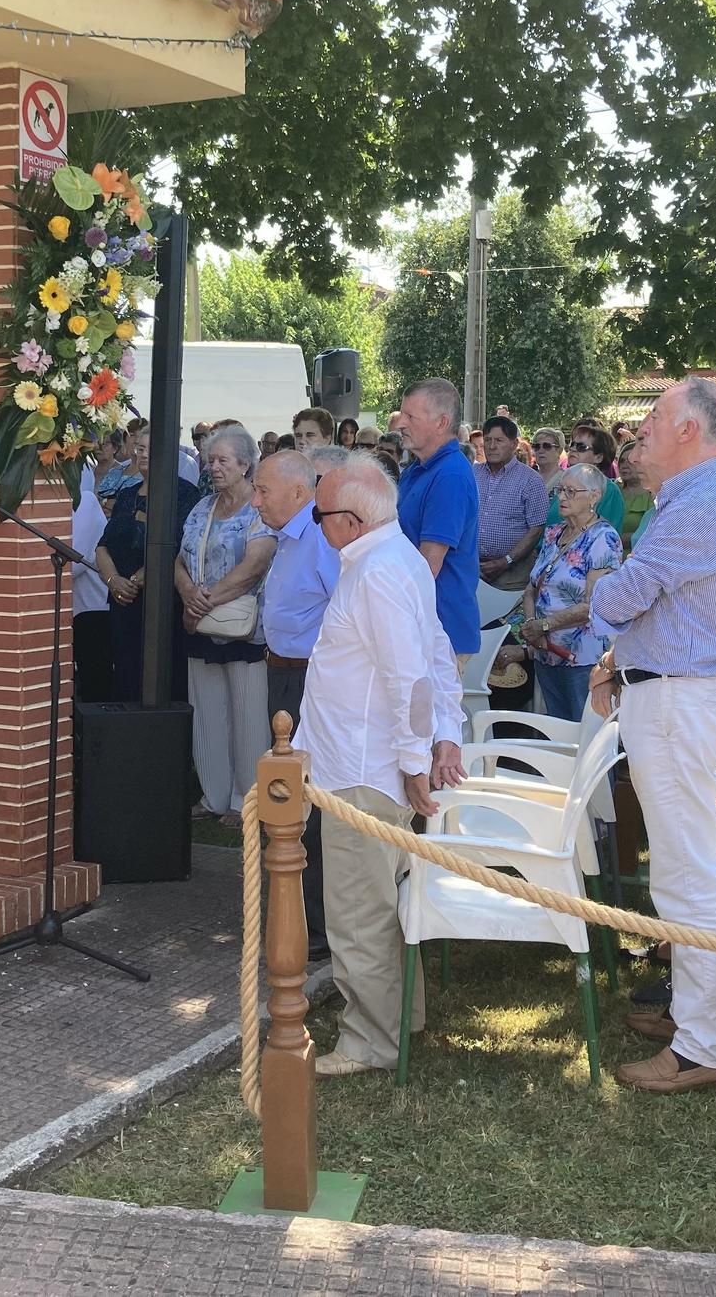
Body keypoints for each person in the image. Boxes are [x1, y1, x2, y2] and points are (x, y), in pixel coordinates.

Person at [587, 377, 716, 1094]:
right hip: (671, 698)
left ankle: (701, 1047)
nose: (639, 432)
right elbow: (648, 613)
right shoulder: (690, 501)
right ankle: (694, 1017)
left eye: (654, 418)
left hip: (680, 705)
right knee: (681, 872)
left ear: (690, 430)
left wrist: (602, 587)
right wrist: (615, 658)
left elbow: (622, 597)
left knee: (685, 877)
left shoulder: (700, 505)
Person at [294, 454, 464, 1077]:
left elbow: (409, 674)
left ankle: (371, 1040)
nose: (316, 525)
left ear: (349, 521)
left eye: (318, 515)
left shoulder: (379, 572)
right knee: (376, 907)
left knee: (357, 913)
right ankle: (397, 1017)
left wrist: (421, 755)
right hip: (364, 764)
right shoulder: (393, 562)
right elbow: (433, 654)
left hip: (362, 771)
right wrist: (439, 735)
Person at [254, 448, 341, 961]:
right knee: (286, 795)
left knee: (307, 801)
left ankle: (317, 926)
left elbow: (342, 611)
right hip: (283, 673)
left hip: (311, 679)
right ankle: (295, 911)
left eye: (265, 490)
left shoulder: (319, 539)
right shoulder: (290, 538)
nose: (257, 500)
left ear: (299, 492)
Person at [177, 425, 276, 827]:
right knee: (207, 715)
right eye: (209, 459)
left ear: (245, 464)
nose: (212, 467)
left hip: (243, 628)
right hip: (200, 624)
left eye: (221, 460)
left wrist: (205, 600)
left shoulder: (259, 508)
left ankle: (246, 801)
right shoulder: (202, 507)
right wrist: (188, 595)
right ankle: (213, 794)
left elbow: (256, 564)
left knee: (248, 718)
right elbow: (179, 559)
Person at [95, 429, 201, 702]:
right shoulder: (128, 494)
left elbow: (178, 545)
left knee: (164, 680)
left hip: (161, 603)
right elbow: (104, 544)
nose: (140, 454)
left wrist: (136, 578)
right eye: (139, 448)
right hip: (123, 603)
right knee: (127, 678)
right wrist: (113, 580)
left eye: (148, 449)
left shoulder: (184, 494)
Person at [518, 463, 624, 723]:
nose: (562, 497)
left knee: (585, 733)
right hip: (546, 651)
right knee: (556, 729)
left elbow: (594, 605)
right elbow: (532, 587)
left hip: (582, 656)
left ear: (594, 497)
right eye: (559, 490)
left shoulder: (604, 538)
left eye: (570, 491)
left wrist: (543, 625)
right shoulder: (554, 533)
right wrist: (533, 626)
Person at [394, 378, 481, 662]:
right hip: (418, 626)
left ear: (441, 422)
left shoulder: (450, 475)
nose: (400, 424)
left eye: (410, 416)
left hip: (438, 633)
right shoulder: (419, 469)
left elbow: (428, 564)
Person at [473, 415, 548, 591]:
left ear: (514, 444)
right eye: (488, 440)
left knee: (505, 618)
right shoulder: (472, 473)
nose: (492, 446)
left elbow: (536, 528)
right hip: (473, 570)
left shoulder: (530, 480)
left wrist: (506, 560)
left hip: (512, 576)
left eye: (499, 440)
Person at [69, 451, 115, 706]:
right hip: (78, 611)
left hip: (93, 611)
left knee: (93, 686)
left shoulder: (85, 502)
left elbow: (71, 565)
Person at [616, 441, 654, 548]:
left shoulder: (655, 494)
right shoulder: (613, 491)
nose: (624, 465)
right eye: (622, 461)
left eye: (630, 461)